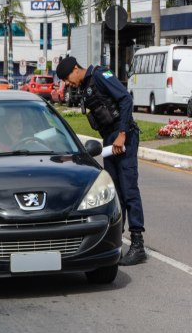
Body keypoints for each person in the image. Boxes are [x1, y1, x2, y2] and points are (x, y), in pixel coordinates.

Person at [56, 56, 146, 266]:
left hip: (124, 138)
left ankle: (138, 244)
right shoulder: (86, 85)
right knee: (115, 192)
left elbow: (125, 99)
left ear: (76, 69)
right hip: (109, 139)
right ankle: (116, 242)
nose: (68, 84)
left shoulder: (100, 75)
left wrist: (122, 133)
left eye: (67, 78)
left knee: (129, 190)